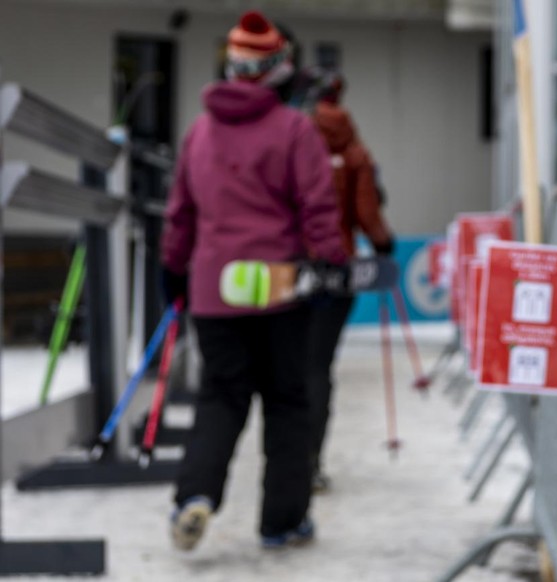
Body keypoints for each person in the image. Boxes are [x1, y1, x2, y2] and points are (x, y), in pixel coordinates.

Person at [160, 10, 346, 551]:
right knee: (288, 403)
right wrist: (330, 263)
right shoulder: (294, 130)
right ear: (276, 70)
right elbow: (318, 206)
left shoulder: (199, 133)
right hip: (279, 288)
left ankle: (194, 496)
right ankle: (282, 522)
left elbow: (180, 216)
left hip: (214, 289)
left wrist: (172, 272)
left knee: (220, 397)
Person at [306, 70, 395, 491]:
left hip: (291, 268)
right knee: (319, 368)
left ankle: (286, 463)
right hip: (337, 269)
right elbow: (367, 212)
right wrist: (383, 244)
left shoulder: (295, 141)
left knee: (287, 369)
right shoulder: (356, 151)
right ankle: (312, 461)